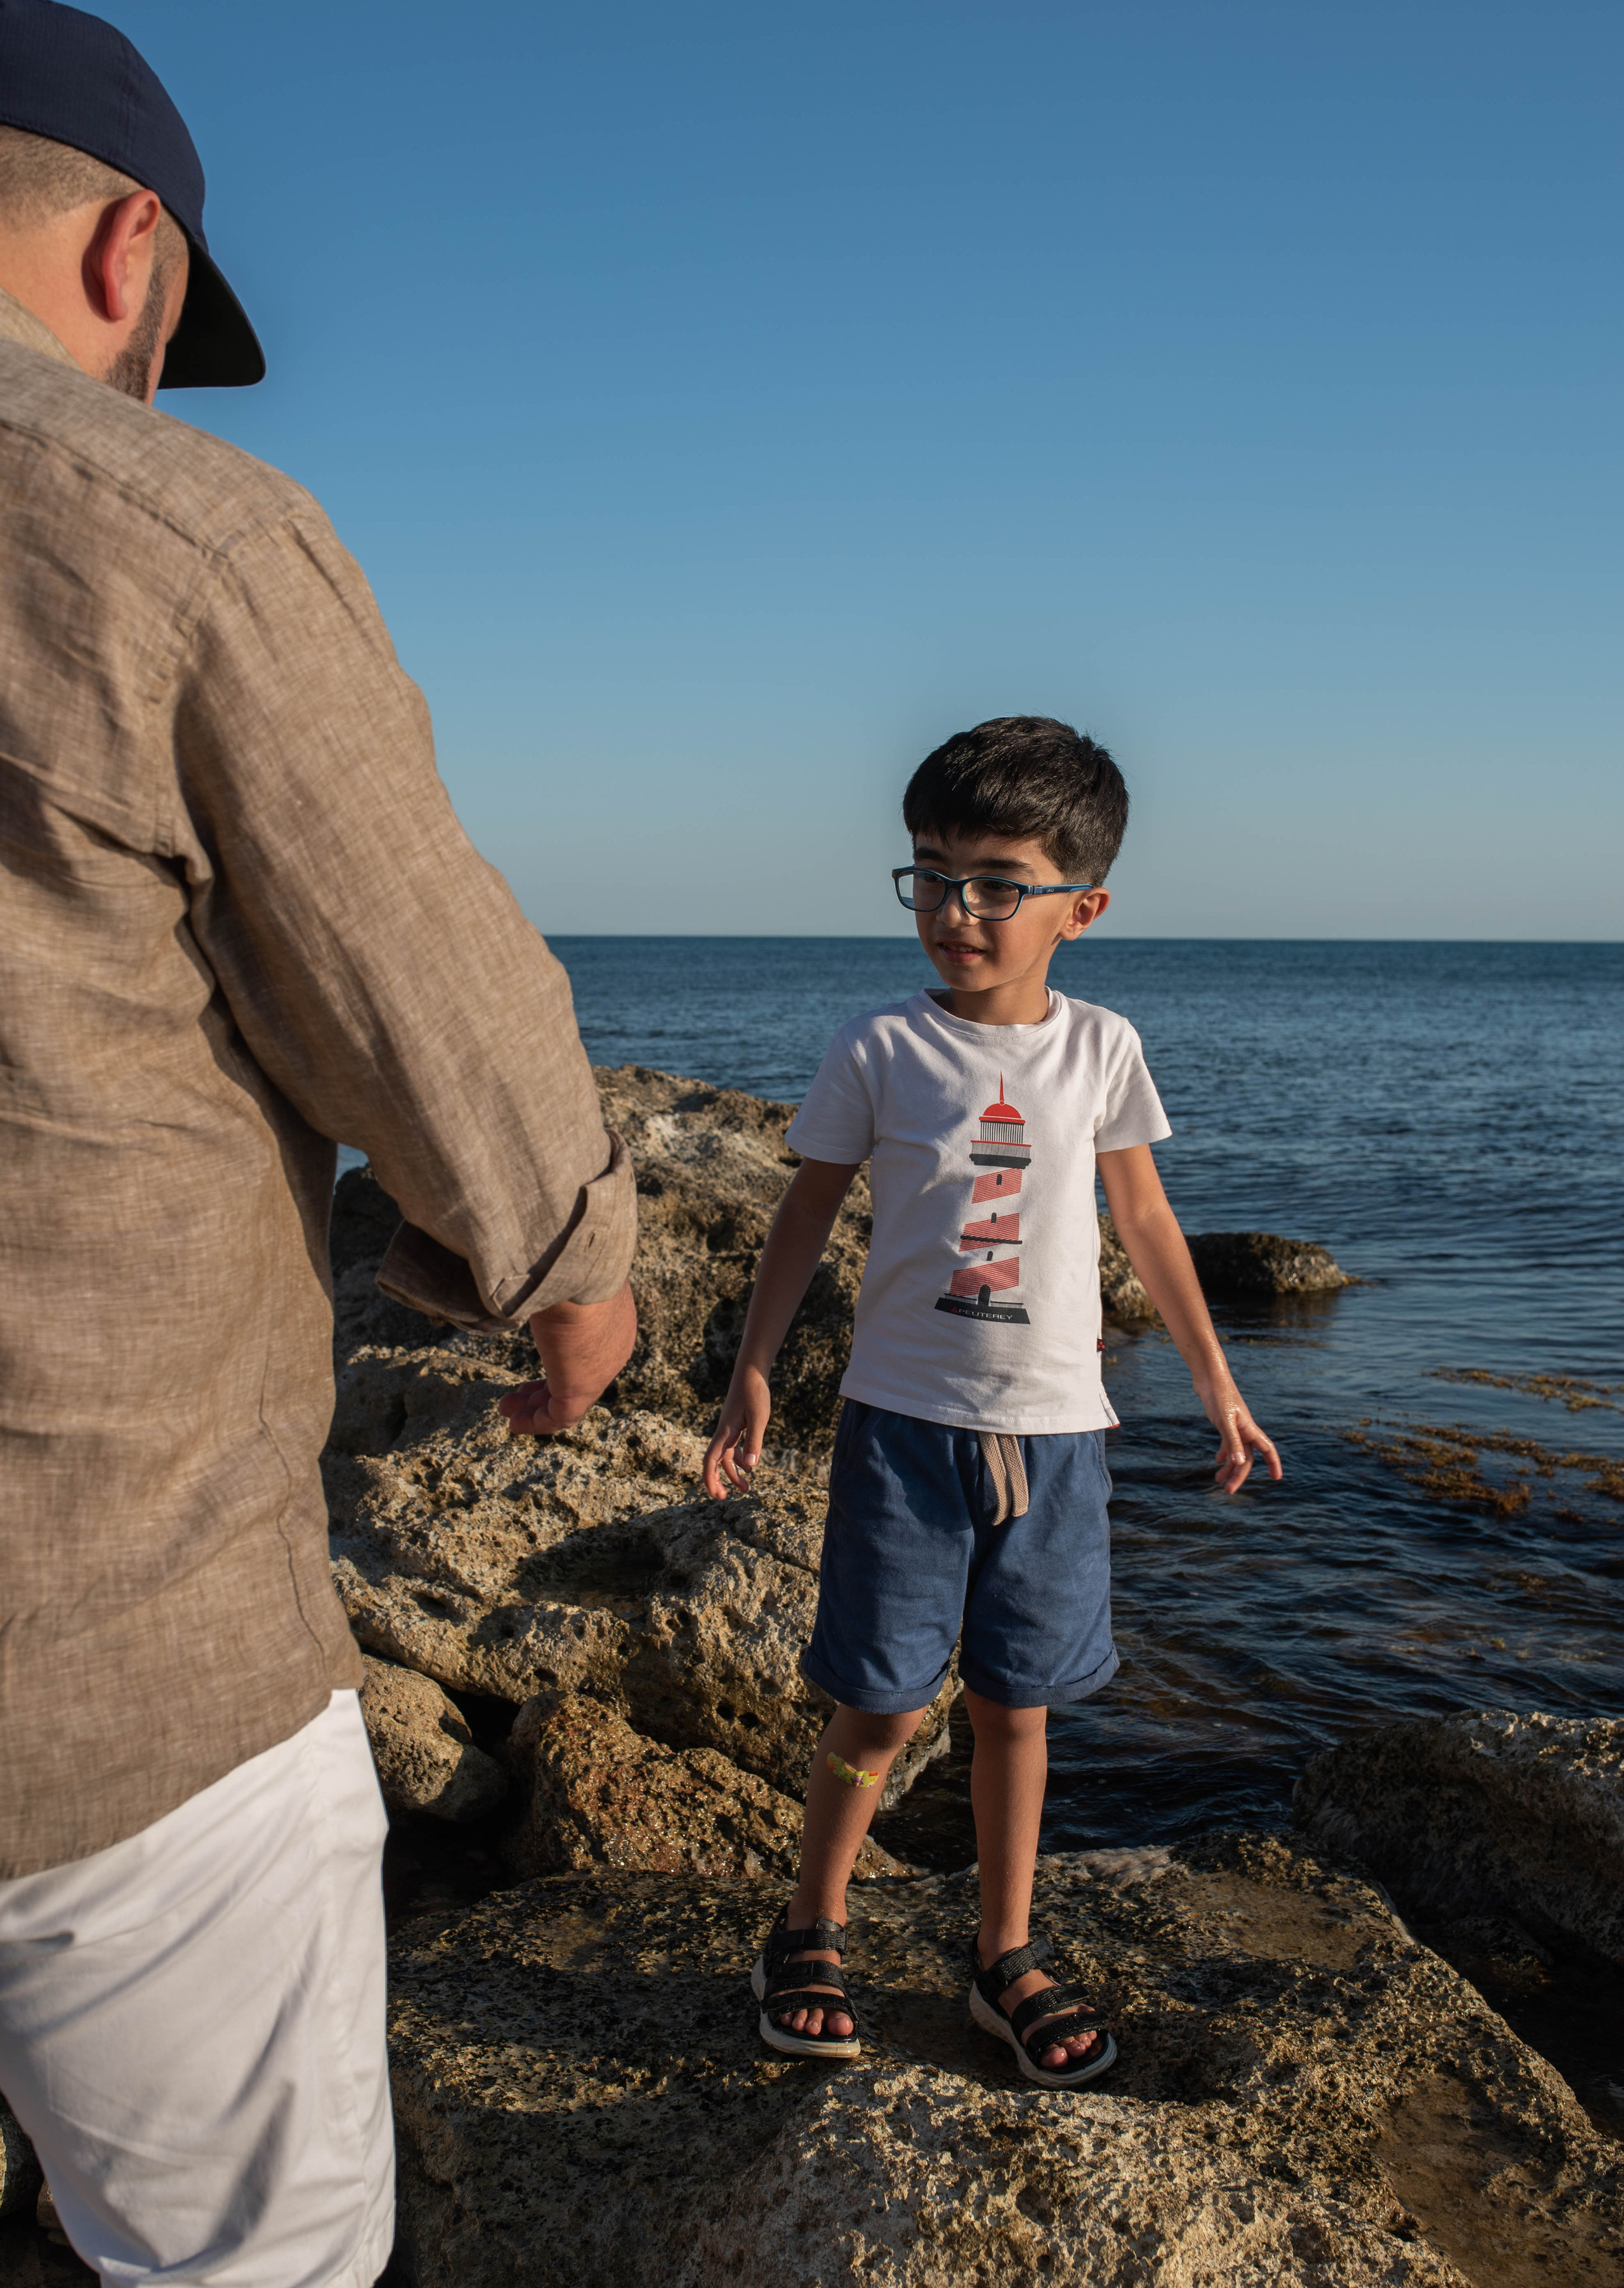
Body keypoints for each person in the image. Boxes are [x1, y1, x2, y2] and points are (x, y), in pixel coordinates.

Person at [0, 4, 635, 2282]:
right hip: (99, 1651)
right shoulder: (160, 530)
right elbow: (416, 979)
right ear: (133, 255)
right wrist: (562, 1265)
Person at [701, 715, 1281, 2087]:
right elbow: (804, 1215)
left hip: (1060, 1437)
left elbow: (1145, 1221)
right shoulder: (881, 1047)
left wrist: (1217, 1383)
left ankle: (1003, 1952)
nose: (956, 910)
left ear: (1082, 907)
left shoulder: (1102, 1050)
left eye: (997, 884)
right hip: (901, 1429)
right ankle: (808, 1925)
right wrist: (752, 1369)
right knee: (880, 1709)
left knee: (1018, 1704)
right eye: (932, 874)